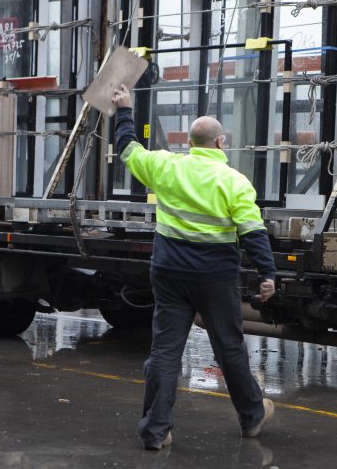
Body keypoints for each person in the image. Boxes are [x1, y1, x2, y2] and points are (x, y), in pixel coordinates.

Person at [112, 84, 277, 450]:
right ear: (221, 143)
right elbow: (252, 231)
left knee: (165, 352)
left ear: (189, 143)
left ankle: (156, 432)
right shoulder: (233, 182)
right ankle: (251, 417)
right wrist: (267, 274)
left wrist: (124, 108)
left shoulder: (166, 167)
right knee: (229, 348)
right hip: (215, 279)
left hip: (169, 275)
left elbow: (127, 149)